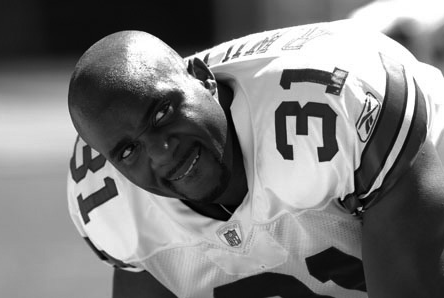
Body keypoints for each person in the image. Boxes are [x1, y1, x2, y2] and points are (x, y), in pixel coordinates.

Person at [67, 19, 444, 298]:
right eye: (129, 151)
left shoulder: (330, 110)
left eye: (162, 113)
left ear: (203, 79)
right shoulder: (111, 204)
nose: (163, 152)